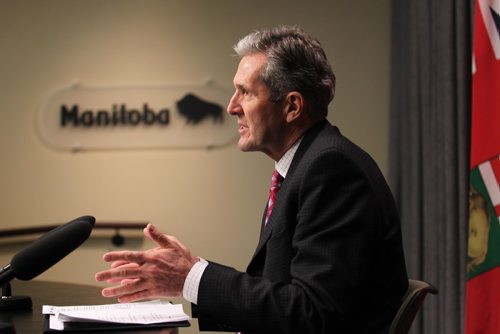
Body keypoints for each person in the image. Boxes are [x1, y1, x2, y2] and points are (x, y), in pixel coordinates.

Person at [95, 25, 408, 333]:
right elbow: (280, 296)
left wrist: (193, 277)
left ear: (292, 106)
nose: (232, 107)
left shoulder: (331, 168)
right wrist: (187, 277)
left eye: (245, 92)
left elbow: (313, 314)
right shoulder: (303, 165)